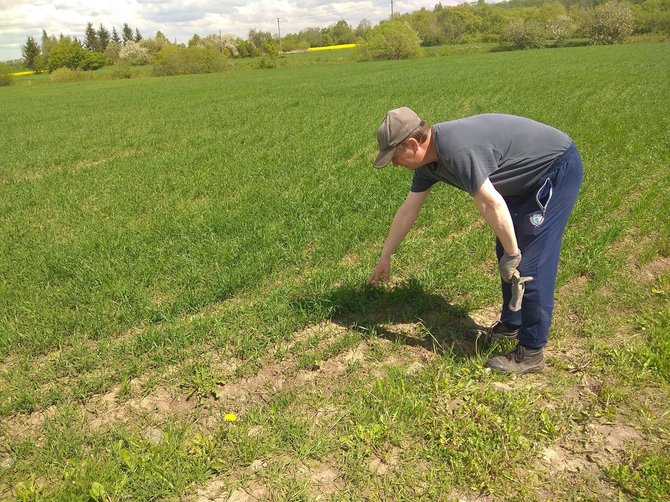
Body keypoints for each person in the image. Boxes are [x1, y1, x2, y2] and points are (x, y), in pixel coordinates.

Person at [368, 107, 583, 374]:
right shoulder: (429, 164)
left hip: (552, 170)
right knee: (507, 249)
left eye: (395, 156)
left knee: (528, 261)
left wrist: (514, 253)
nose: (395, 164)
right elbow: (408, 209)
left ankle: (531, 353)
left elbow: (489, 202)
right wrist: (385, 255)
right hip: (522, 183)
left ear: (412, 144)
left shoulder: (457, 149)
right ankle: (511, 326)